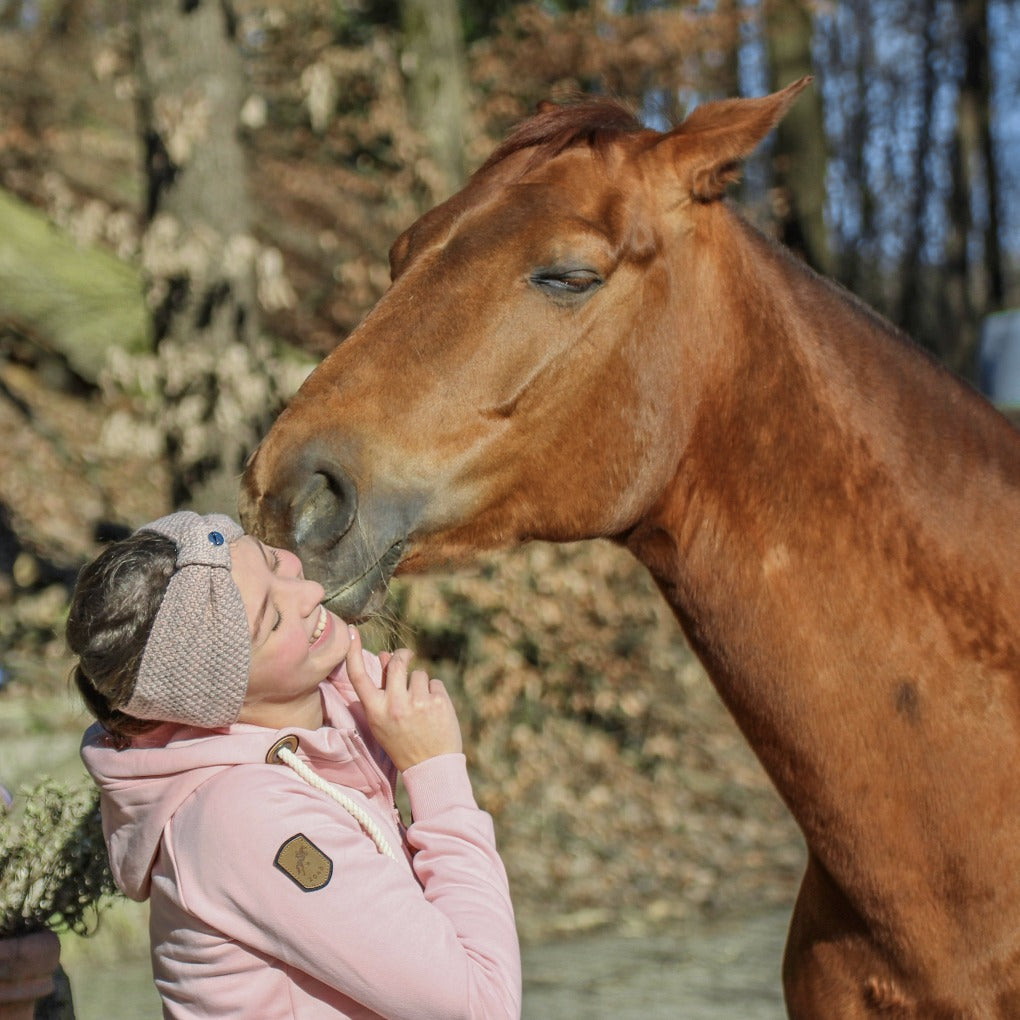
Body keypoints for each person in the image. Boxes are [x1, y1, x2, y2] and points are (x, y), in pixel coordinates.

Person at [68, 510, 521, 1020]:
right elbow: (482, 1006)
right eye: (273, 619)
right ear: (218, 697)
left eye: (273, 561)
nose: (306, 594)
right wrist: (437, 775)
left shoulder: (331, 729)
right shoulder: (244, 821)